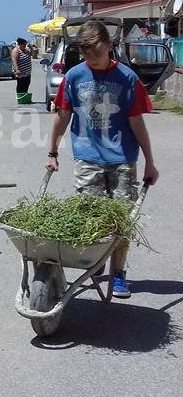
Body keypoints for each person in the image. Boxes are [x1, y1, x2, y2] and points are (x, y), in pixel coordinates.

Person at [47, 20, 159, 298]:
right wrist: (52, 151)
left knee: (122, 219)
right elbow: (63, 116)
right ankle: (96, 262)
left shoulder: (127, 78)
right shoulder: (74, 76)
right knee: (91, 217)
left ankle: (118, 273)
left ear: (109, 46)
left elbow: (137, 122)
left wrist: (150, 161)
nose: (92, 61)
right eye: (86, 56)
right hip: (87, 157)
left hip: (122, 159)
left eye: (96, 54)